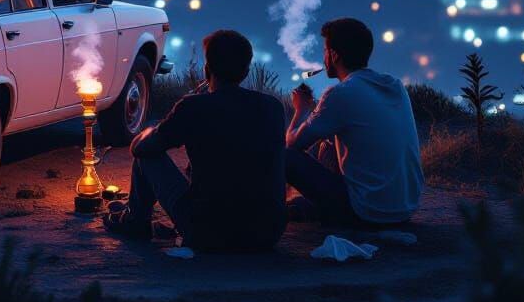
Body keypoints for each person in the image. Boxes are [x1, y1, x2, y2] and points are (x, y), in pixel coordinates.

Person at [103, 29, 286, 252]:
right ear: (246, 72)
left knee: (147, 158)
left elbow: (141, 149)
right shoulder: (273, 107)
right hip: (267, 233)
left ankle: (135, 221)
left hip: (208, 232)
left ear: (207, 69)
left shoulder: (193, 106)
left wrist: (155, 128)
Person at [285, 17, 423, 227]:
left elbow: (293, 144)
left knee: (285, 156)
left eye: (325, 50)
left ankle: (275, 210)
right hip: (405, 209)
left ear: (334, 55)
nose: (323, 57)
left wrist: (301, 109)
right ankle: (313, 208)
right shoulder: (395, 86)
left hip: (367, 212)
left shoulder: (340, 93)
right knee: (327, 145)